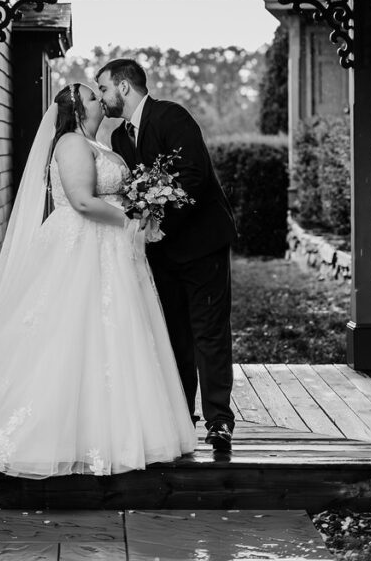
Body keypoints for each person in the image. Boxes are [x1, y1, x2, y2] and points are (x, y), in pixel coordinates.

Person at [0, 83, 196, 478]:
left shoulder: (106, 146)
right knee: (67, 333)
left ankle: (119, 428)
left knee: (115, 335)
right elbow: (82, 201)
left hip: (114, 252)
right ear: (76, 108)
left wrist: (143, 207)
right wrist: (133, 218)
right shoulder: (70, 144)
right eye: (90, 95)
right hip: (80, 248)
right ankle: (58, 429)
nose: (99, 99)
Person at [97, 58, 237, 453]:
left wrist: (159, 222)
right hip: (160, 253)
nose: (103, 97)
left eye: (104, 88)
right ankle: (180, 415)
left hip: (202, 244)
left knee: (208, 331)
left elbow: (193, 176)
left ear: (124, 87)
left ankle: (219, 422)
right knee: (174, 335)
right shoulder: (120, 139)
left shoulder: (172, 116)